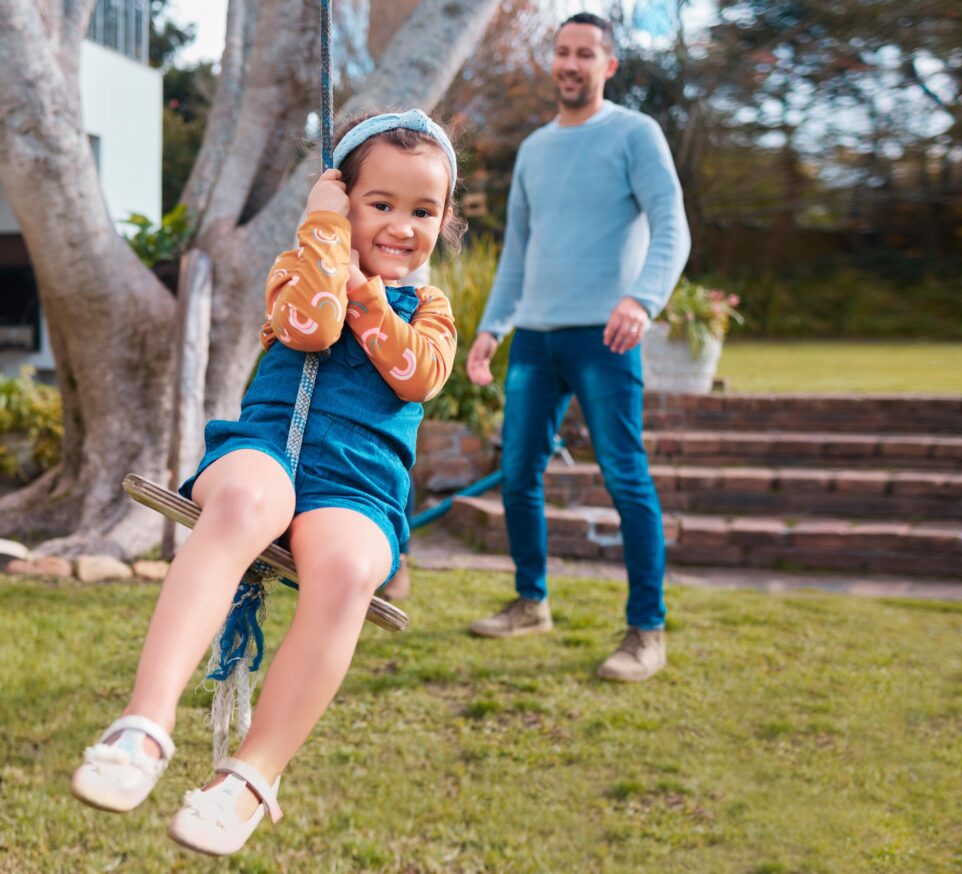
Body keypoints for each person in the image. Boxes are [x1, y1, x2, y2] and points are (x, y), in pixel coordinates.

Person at [70, 109, 462, 856]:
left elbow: (415, 377)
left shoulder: (432, 310)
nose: (401, 226)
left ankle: (248, 780)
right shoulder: (299, 267)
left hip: (358, 487)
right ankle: (143, 730)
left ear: (444, 220)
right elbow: (311, 328)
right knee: (251, 501)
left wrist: (370, 297)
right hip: (266, 450)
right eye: (380, 203)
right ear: (342, 200)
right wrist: (321, 231)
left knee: (348, 570)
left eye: (423, 211)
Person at [466, 13, 689, 682]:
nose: (571, 63)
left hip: (606, 336)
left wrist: (641, 300)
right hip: (535, 336)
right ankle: (531, 602)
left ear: (608, 66)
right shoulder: (534, 149)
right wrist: (491, 326)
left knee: (626, 476)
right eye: (562, 52)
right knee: (517, 475)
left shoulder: (635, 134)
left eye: (585, 53)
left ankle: (646, 632)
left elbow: (673, 228)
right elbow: (517, 251)